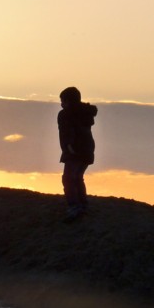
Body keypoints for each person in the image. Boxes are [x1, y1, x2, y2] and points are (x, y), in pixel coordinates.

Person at [57, 86, 97, 222]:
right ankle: (82, 205)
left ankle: (74, 207)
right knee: (77, 177)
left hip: (74, 150)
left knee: (68, 178)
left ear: (68, 101)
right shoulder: (85, 113)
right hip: (88, 149)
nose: (61, 104)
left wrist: (69, 147)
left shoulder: (66, 114)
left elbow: (67, 132)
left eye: (63, 100)